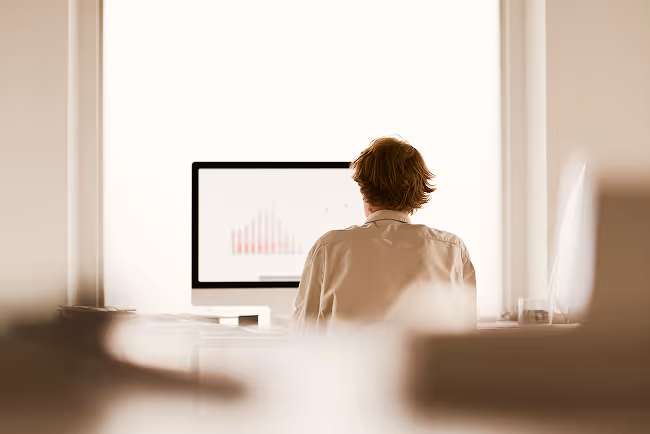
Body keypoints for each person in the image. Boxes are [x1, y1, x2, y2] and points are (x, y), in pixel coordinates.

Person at [292, 136, 476, 329]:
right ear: (418, 193)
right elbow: (466, 335)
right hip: (427, 360)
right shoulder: (452, 249)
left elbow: (305, 334)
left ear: (364, 191)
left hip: (351, 359)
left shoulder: (328, 248)